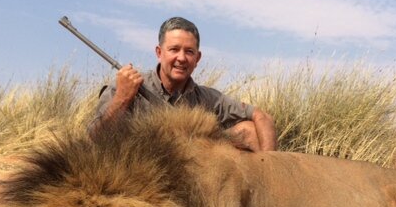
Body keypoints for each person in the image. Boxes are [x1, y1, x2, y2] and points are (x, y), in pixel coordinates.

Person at [91, 16, 277, 152]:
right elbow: (93, 141)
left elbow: (262, 116)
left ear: (197, 58)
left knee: (249, 131)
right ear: (159, 52)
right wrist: (122, 99)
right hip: (143, 180)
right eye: (174, 49)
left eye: (189, 51)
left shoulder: (209, 98)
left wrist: (269, 166)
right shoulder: (124, 88)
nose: (181, 58)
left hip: (196, 181)